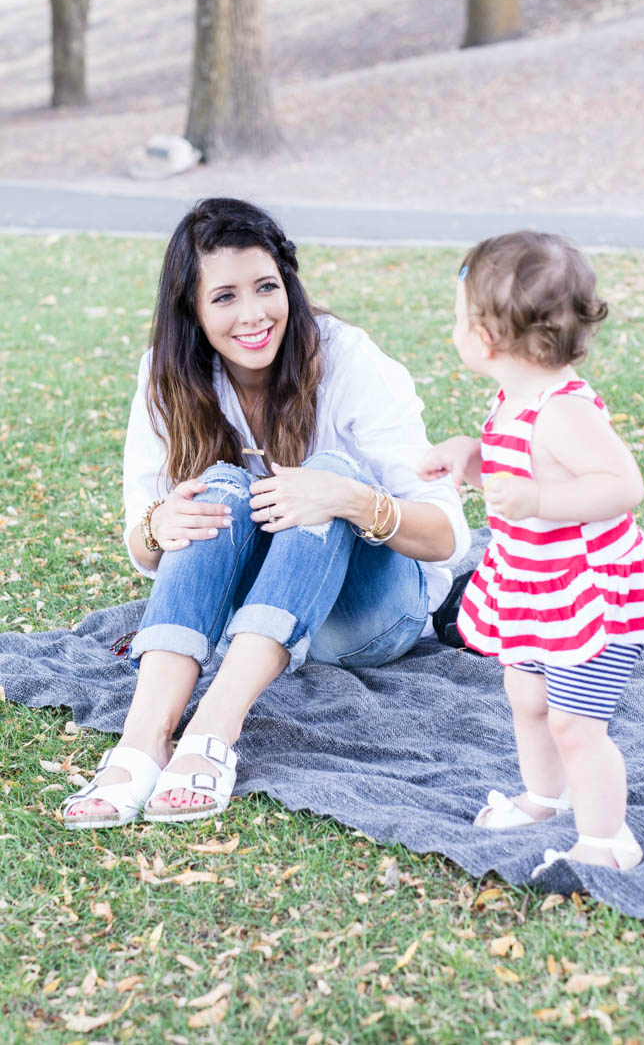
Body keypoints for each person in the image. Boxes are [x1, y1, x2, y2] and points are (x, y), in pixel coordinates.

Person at [62, 197, 470, 829]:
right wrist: (155, 527)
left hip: (367, 617)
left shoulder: (348, 358)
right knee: (215, 488)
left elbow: (446, 536)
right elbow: (144, 543)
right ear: (192, 310)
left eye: (266, 287)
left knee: (328, 474)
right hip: (250, 616)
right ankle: (142, 741)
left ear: (290, 287)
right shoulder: (167, 376)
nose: (253, 314)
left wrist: (350, 500)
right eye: (224, 296)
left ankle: (214, 728)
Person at [418, 231, 644, 873]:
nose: (454, 329)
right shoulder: (515, 399)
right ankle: (546, 796)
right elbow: (517, 472)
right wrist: (469, 455)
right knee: (526, 697)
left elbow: (622, 486)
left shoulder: (562, 411)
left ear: (485, 337)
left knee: (575, 723)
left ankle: (605, 838)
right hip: (536, 586)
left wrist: (539, 499)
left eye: (459, 317)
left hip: (592, 598)